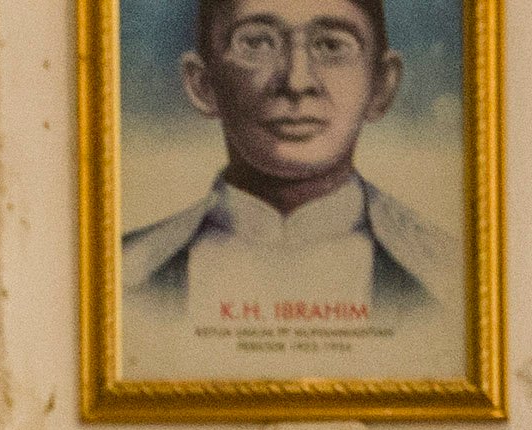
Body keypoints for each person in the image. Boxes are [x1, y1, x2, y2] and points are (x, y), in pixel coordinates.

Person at [120, 0, 459, 373]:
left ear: (381, 85)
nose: (297, 83)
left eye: (331, 46)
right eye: (258, 43)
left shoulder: (454, 278)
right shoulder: (121, 278)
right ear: (202, 85)